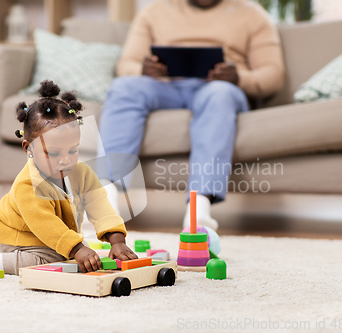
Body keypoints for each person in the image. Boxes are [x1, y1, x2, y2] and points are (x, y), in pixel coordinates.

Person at [98, 0, 285, 230]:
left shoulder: (253, 15)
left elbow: (273, 74)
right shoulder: (154, 12)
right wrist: (142, 70)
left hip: (219, 88)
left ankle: (199, 209)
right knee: (123, 87)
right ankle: (105, 195)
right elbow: (127, 63)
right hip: (165, 87)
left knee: (219, 94)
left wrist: (239, 77)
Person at [0, 80, 137, 275]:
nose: (65, 160)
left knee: (75, 251)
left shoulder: (83, 174)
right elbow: (46, 225)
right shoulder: (28, 184)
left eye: (73, 151)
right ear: (29, 149)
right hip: (16, 234)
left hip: (48, 231)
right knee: (54, 259)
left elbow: (100, 206)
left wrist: (117, 240)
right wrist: (76, 248)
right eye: (53, 153)